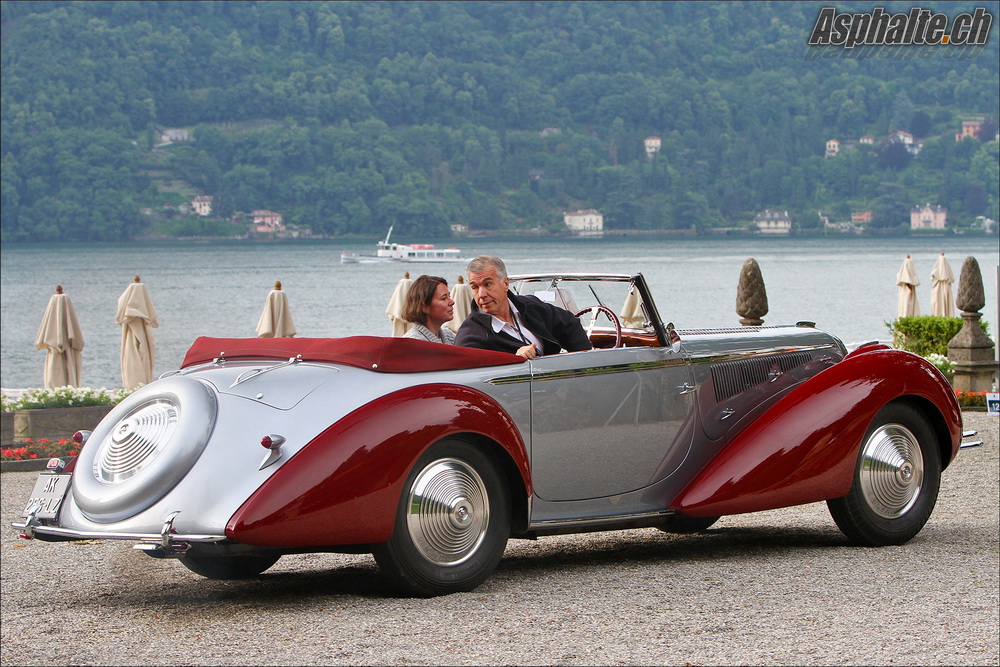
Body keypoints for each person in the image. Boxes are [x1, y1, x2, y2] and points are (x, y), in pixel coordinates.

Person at [455, 255, 591, 359]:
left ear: (505, 284)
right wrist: (514, 360)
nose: (481, 294)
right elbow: (472, 377)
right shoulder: (470, 337)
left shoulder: (531, 306)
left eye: (488, 284)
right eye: (475, 287)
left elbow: (570, 323)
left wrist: (581, 366)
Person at [401, 275, 457, 344]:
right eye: (444, 298)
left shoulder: (449, 336)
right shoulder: (412, 343)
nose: (452, 302)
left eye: (449, 296)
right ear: (424, 307)